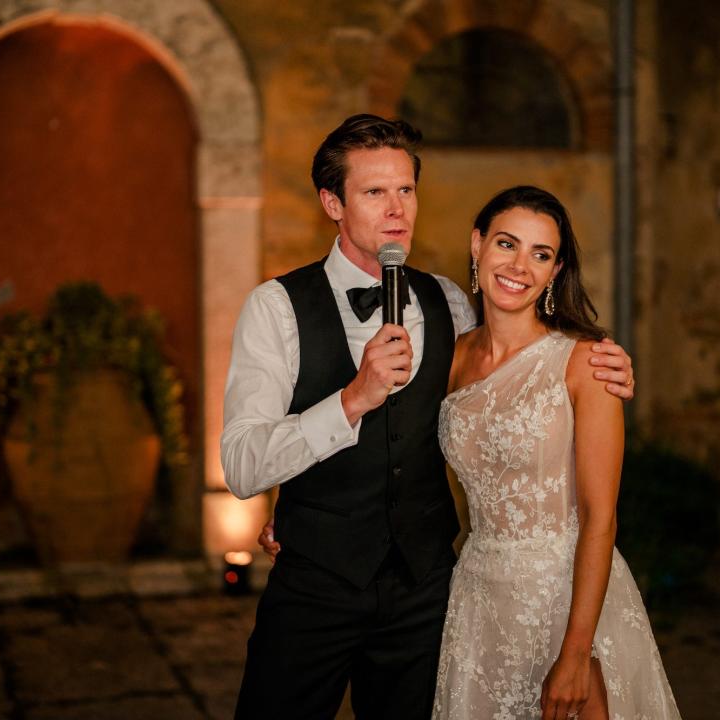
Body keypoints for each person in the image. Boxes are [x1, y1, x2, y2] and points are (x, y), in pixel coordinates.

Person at [222, 115, 635, 720]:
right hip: (315, 589)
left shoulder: (448, 304)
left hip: (429, 598)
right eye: (374, 192)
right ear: (331, 202)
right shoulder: (275, 308)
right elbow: (240, 465)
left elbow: (517, 372)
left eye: (406, 190)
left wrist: (608, 360)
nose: (397, 210)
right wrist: (352, 400)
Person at [432, 186, 680, 720]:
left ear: (554, 270)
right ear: (477, 246)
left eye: (540, 254)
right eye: (506, 244)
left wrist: (576, 652)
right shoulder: (449, 359)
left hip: (564, 598)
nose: (520, 265)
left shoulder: (585, 364)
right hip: (476, 599)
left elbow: (600, 520)